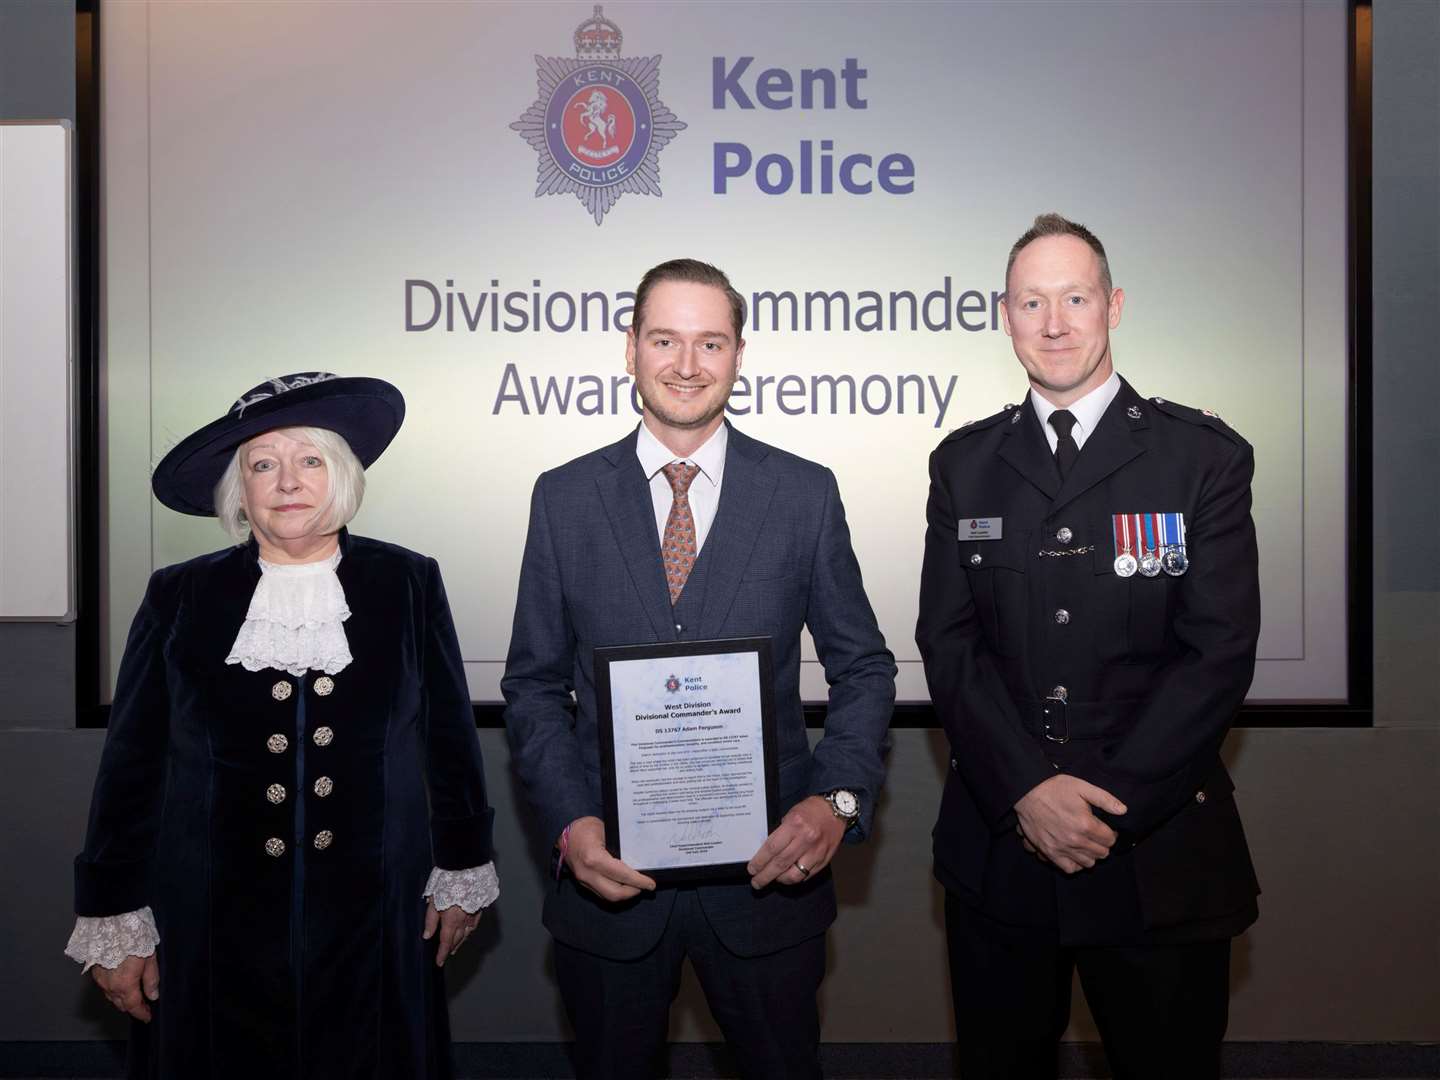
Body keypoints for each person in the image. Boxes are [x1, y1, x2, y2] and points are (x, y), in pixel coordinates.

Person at [502, 259, 895, 1079]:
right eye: (665, 340)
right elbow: (534, 686)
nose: (686, 364)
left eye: (710, 341)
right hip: (608, 886)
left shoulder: (804, 494)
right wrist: (572, 827)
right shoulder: (564, 498)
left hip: (768, 887)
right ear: (630, 350)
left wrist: (839, 800)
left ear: (739, 353)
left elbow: (864, 668)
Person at [66, 373, 498, 1080]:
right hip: (208, 920)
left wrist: (462, 866)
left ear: (342, 474)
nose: (287, 481)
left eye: (310, 459)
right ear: (240, 489)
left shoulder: (409, 582)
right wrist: (112, 915)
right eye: (263, 463)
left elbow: (446, 741)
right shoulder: (180, 593)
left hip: (375, 917)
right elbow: (133, 764)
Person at [915, 214, 1261, 1079]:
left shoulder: (1200, 459)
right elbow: (947, 644)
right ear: (1005, 315)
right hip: (1004, 851)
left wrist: (1103, 801)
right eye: (1032, 301)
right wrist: (1029, 789)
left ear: (1114, 306)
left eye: (1074, 298)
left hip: (1155, 851)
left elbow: (1218, 653)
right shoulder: (964, 464)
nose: (1055, 322)